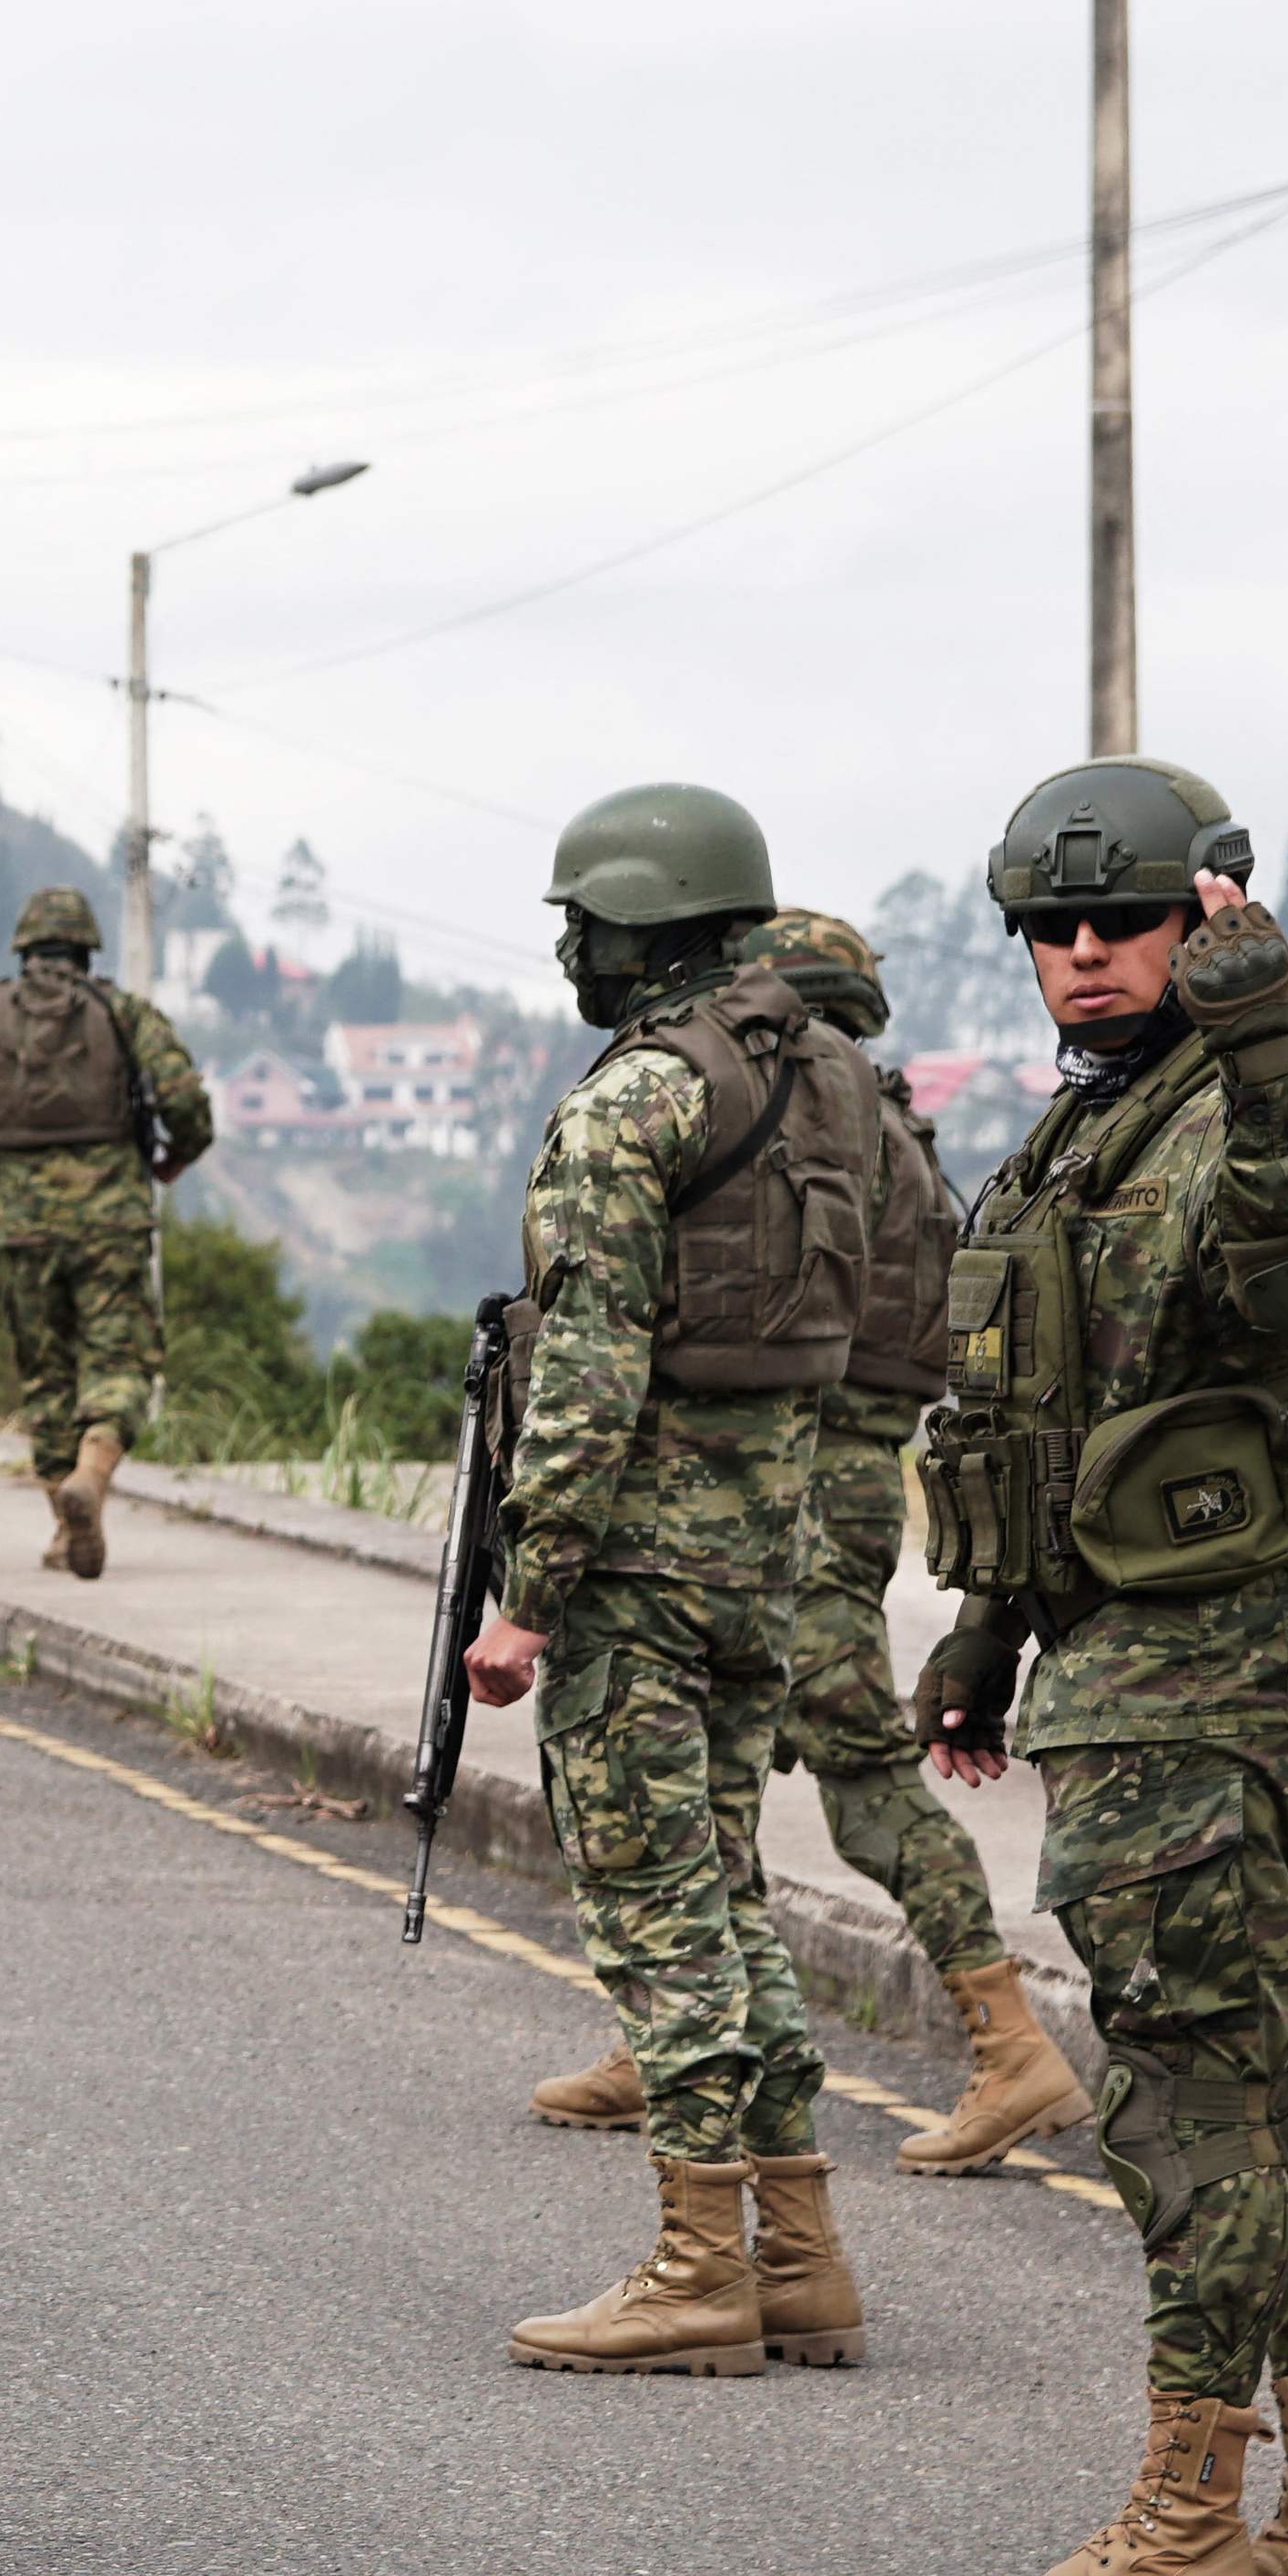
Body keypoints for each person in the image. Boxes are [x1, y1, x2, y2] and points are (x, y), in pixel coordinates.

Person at [921, 759, 1288, 2576]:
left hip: (1200, 1672)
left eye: (1118, 918)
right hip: (1110, 1650)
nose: (1080, 953)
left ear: (1204, 917)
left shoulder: (1244, 1117)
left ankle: (1190, 2523)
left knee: (1186, 2104)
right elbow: (1041, 1416)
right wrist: (986, 1627)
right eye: (1049, 927)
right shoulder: (1076, 1137)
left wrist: (1267, 1050)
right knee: (1257, 2102)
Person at [525, 910, 1084, 2174]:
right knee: (712, 1777)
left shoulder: (822, 1130)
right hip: (812, 1482)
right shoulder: (868, 1123)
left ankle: (1007, 2045)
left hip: (807, 1491)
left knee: (848, 1767)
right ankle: (669, 2029)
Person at [461, 785, 881, 2380]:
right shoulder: (824, 1075)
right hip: (766, 1551)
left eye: (585, 917)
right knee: (730, 1885)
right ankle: (801, 2248)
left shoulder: (634, 1099)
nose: (570, 941)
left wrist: (530, 1594)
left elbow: (583, 1368)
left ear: (646, 919)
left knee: (658, 1911)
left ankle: (702, 2261)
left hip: (634, 1559)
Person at [0, 886, 209, 1577]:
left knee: (46, 1377)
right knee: (121, 1362)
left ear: (24, 950)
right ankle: (95, 1468)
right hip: (111, 1220)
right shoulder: (123, 1013)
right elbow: (185, 1099)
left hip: (22, 1227)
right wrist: (177, 1155)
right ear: (87, 949)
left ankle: (65, 1518)